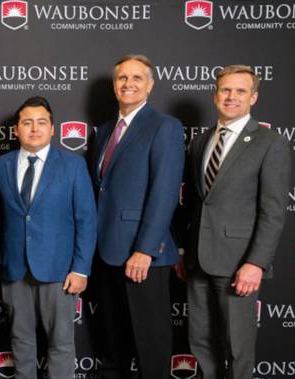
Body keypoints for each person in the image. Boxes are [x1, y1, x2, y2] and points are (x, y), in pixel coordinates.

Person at [177, 65, 290, 379]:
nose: (231, 97)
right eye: (225, 90)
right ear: (215, 96)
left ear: (253, 97)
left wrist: (256, 263)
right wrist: (185, 252)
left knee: (237, 347)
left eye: (240, 91)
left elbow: (273, 211)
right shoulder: (201, 142)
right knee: (200, 341)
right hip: (198, 260)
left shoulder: (269, 142)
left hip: (238, 263)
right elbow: (194, 204)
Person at [87, 54, 185, 379]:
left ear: (150, 84)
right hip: (107, 253)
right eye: (122, 79)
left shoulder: (164, 126)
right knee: (113, 345)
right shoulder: (103, 132)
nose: (128, 84)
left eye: (137, 78)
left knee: (150, 345)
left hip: (143, 255)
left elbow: (165, 192)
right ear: (115, 86)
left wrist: (145, 248)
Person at [0, 96, 96, 379]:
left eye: (41, 122)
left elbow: (86, 220)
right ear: (16, 129)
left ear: (53, 129)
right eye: (27, 122)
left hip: (59, 272)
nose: (34, 128)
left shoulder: (73, 165)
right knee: (21, 343)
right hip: (14, 270)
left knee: (61, 344)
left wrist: (81, 268)